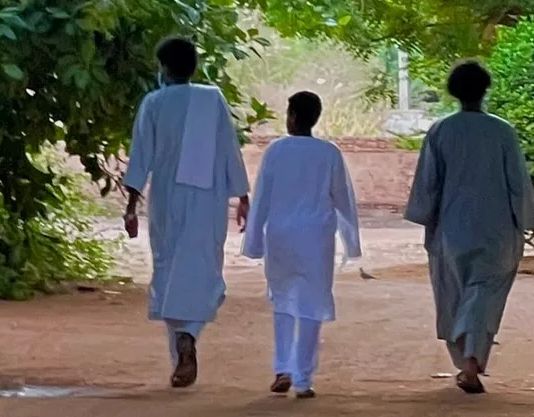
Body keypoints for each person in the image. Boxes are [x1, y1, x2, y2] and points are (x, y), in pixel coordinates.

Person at [123, 37, 251, 389]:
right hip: (207, 199)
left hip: (165, 197)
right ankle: (189, 336)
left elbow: (140, 158)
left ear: (164, 68)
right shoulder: (212, 99)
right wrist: (242, 195)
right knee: (202, 270)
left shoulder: (153, 102)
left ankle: (180, 351)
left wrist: (131, 207)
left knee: (168, 267)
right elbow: (229, 148)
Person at [405, 60, 534, 395]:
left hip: (451, 231)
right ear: (485, 90)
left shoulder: (440, 131)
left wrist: (426, 219)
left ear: (454, 92)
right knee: (484, 293)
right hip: (497, 231)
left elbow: (427, 185)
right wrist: (527, 220)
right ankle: (473, 359)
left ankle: (467, 362)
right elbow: (518, 184)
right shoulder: (502, 131)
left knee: (454, 295)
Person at [242, 91, 361, 399]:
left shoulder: (276, 151)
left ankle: (282, 367)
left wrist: (253, 243)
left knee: (282, 301)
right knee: (311, 306)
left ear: (292, 116)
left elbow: (262, 199)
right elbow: (343, 201)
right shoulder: (329, 153)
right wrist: (351, 244)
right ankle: (303, 379)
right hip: (316, 239)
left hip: (280, 236)